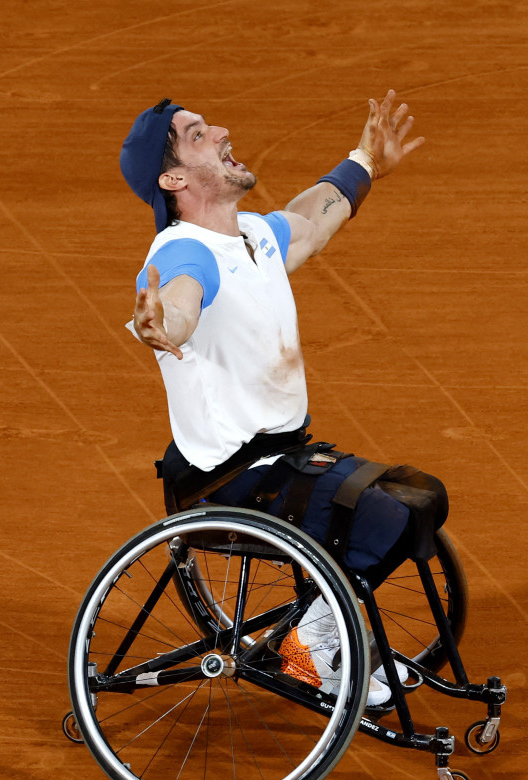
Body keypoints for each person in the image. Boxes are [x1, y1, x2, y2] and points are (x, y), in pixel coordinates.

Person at [120, 91, 444, 709]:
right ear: (175, 179)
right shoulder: (183, 254)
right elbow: (181, 304)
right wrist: (163, 325)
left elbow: (312, 219)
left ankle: (324, 631)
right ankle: (311, 646)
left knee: (420, 495)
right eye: (196, 134)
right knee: (390, 518)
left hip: (282, 459)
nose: (219, 130)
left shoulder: (251, 236)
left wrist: (365, 161)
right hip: (233, 478)